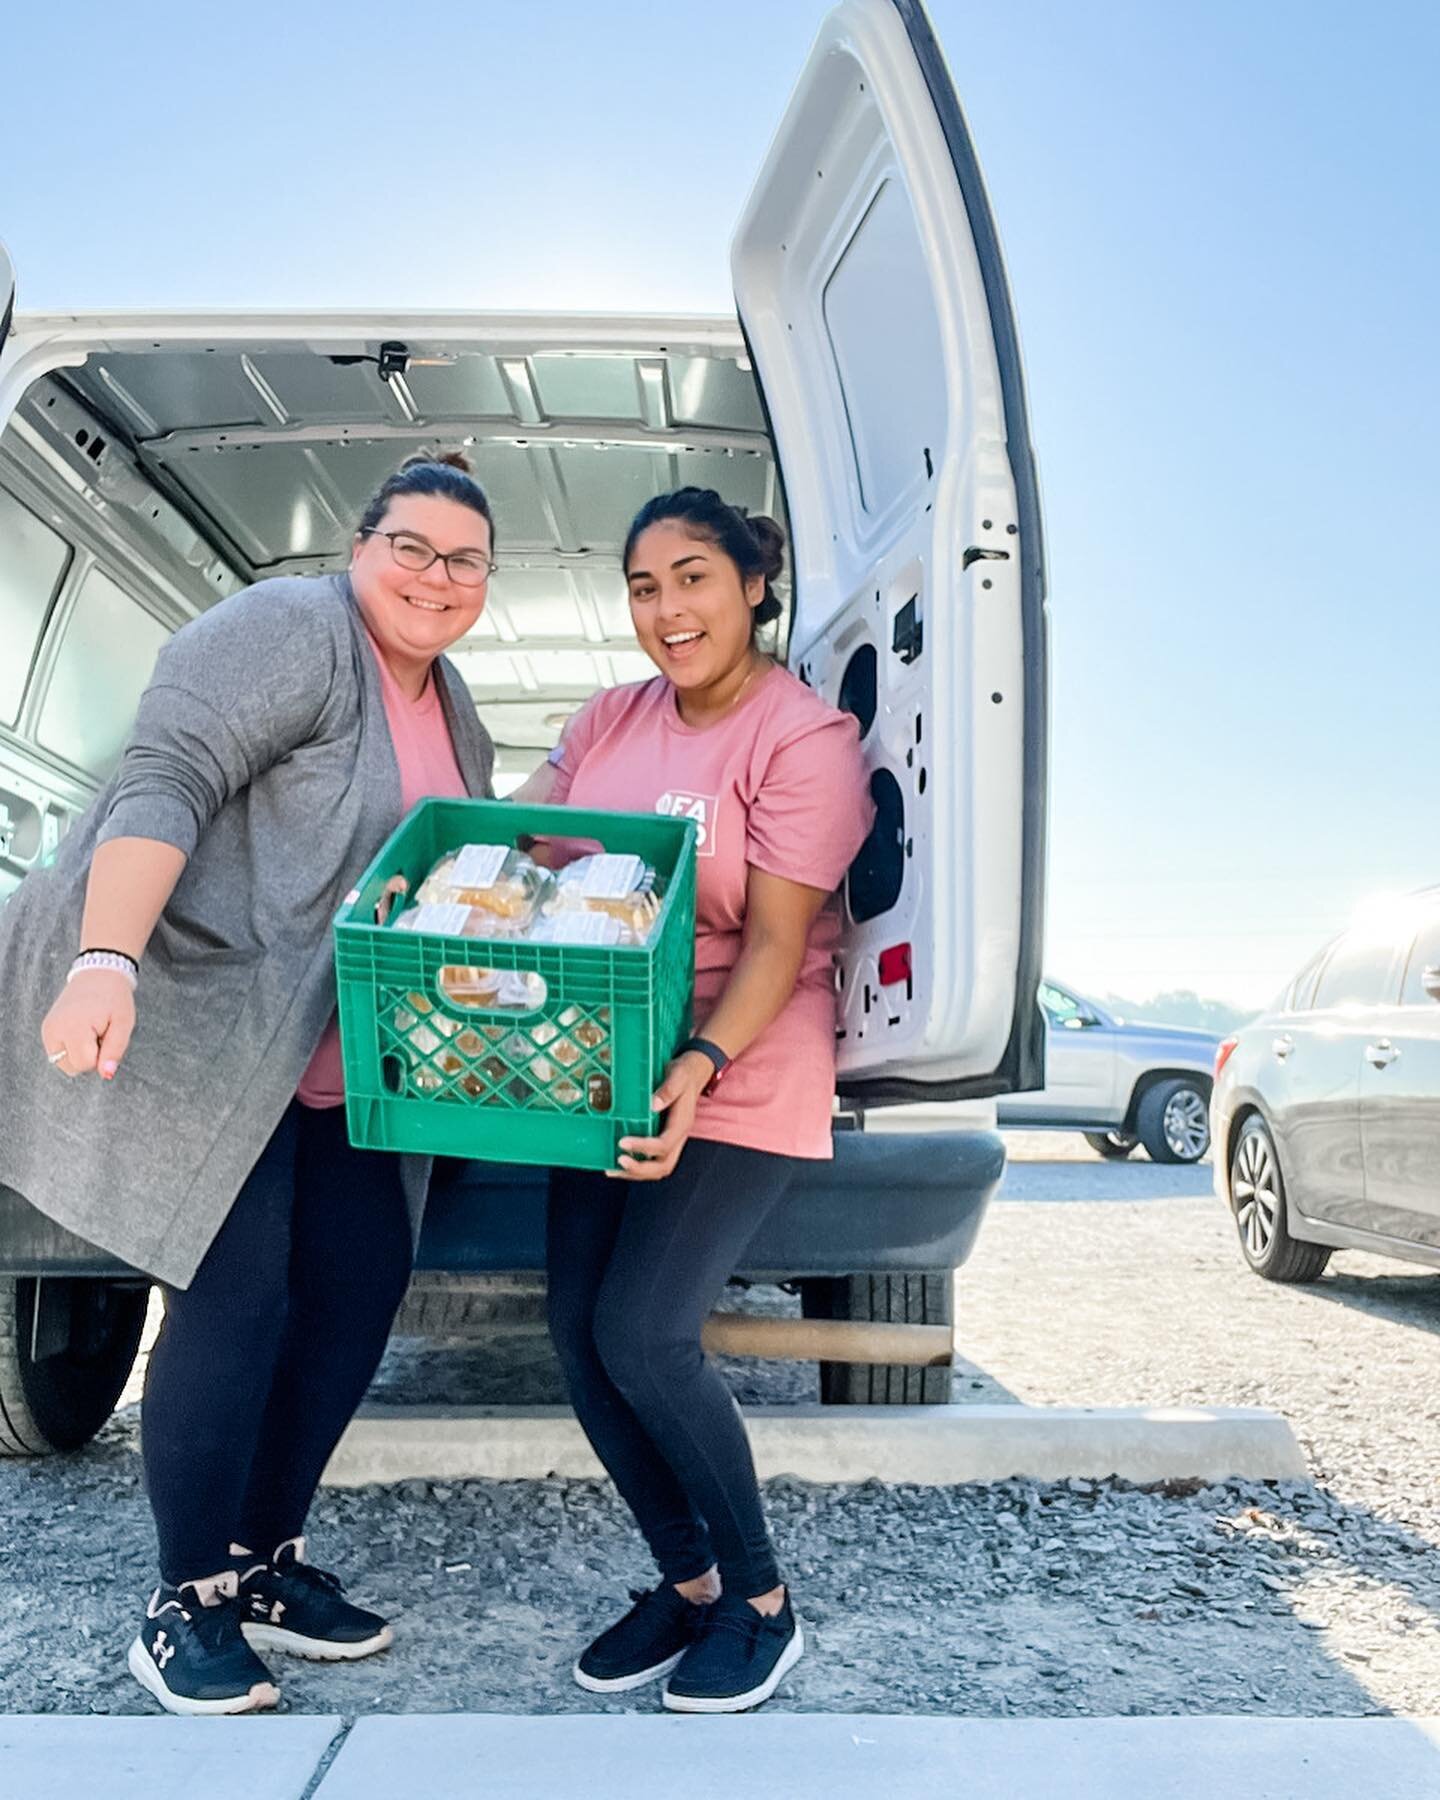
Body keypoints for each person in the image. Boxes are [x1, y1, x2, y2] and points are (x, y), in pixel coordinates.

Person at [0, 451, 497, 1715]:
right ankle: (186, 1603)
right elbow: (165, 775)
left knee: (356, 1290)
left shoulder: (457, 706)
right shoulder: (288, 631)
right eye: (412, 546)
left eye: (464, 559)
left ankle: (264, 1560)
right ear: (359, 544)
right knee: (241, 1291)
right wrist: (104, 957)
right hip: (199, 1010)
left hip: (343, 1051)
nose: (436, 577)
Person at [518, 487, 873, 1713]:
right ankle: (694, 1586)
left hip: (742, 1055)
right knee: (577, 1339)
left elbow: (777, 942)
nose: (667, 610)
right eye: (642, 585)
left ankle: (765, 1605)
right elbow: (528, 849)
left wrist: (701, 1066)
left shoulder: (802, 739)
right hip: (606, 1053)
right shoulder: (611, 719)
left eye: (692, 578)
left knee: (645, 1333)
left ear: (754, 586)